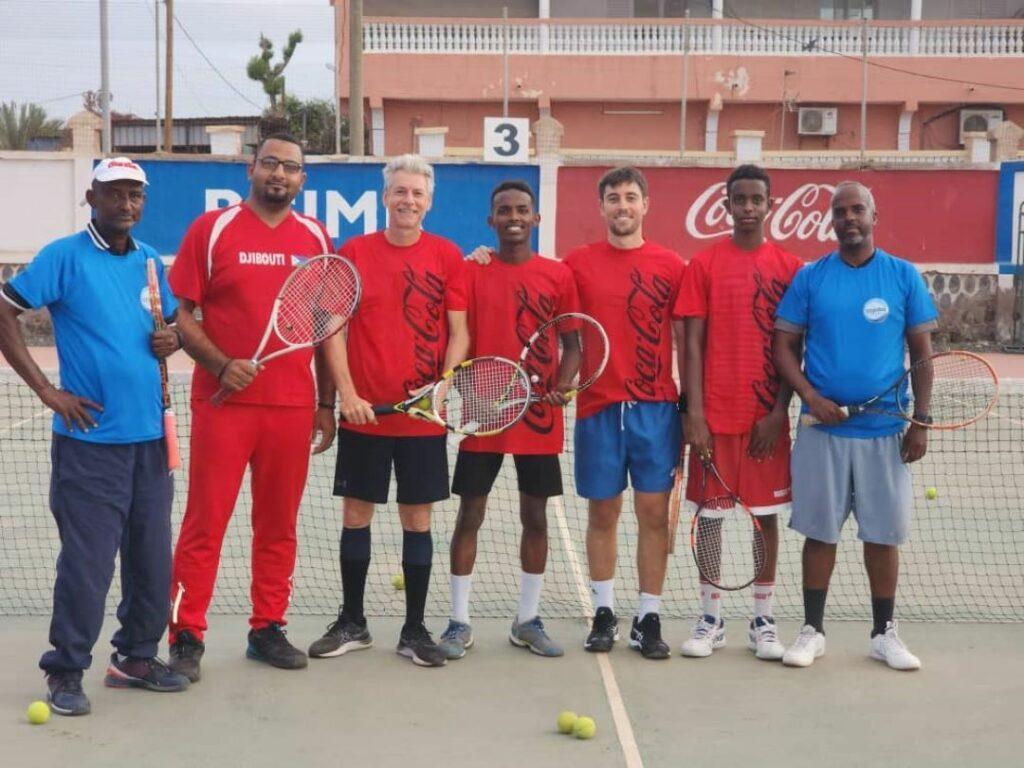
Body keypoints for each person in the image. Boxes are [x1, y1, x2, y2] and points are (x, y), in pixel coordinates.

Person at [0, 158, 190, 715]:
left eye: (135, 195)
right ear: (92, 197)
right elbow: (4, 310)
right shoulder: (64, 256)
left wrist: (173, 338)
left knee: (152, 560)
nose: (126, 204)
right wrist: (48, 392)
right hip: (89, 445)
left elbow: (170, 325)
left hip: (150, 441)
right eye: (115, 193)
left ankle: (135, 658)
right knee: (88, 565)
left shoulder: (150, 260)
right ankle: (65, 669)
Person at [166, 133, 337, 680]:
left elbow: (325, 327)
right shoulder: (211, 229)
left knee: (279, 526)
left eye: (291, 167)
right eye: (270, 163)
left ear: (302, 178)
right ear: (251, 168)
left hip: (292, 408)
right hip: (222, 406)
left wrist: (327, 402)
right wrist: (220, 365)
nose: (279, 174)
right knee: (204, 523)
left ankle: (268, 628)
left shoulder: (317, 237)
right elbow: (179, 313)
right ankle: (186, 634)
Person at [311, 154, 470, 668]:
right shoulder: (354, 253)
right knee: (356, 515)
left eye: (417, 193)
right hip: (365, 417)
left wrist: (442, 388)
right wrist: (347, 395)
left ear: (429, 201)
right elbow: (332, 329)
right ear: (385, 196)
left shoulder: (448, 256)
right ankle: (352, 622)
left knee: (417, 521)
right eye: (400, 191)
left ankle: (414, 630)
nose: (408, 200)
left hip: (422, 420)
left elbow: (460, 332)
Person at [773, 181, 936, 671]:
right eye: (840, 211)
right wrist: (811, 397)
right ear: (831, 220)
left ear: (873, 216)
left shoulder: (903, 276)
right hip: (822, 432)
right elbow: (783, 347)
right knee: (819, 534)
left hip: (885, 430)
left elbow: (922, 354)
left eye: (857, 209)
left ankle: (884, 633)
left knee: (883, 536)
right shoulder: (811, 278)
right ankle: (812, 631)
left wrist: (921, 421)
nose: (849, 218)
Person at [436, 180, 579, 661]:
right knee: (469, 516)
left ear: (535, 219)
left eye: (522, 209)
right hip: (484, 415)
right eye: (504, 210)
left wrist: (564, 384)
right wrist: (464, 391)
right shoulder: (470, 270)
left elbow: (573, 344)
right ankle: (459, 621)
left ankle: (527, 620)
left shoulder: (558, 275)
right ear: (491, 220)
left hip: (538, 417)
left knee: (535, 517)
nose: (513, 217)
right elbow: (457, 338)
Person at [673, 165, 802, 661]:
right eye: (740, 200)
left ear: (769, 205)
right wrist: (695, 413)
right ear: (727, 206)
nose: (748, 207)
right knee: (710, 519)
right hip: (714, 419)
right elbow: (691, 344)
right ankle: (711, 618)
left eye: (756, 199)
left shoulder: (791, 268)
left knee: (764, 519)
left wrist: (778, 412)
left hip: (765, 422)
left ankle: (763, 619)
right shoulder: (703, 265)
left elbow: (795, 347)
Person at [566, 167, 686, 659]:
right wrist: (481, 257)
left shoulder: (672, 266)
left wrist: (693, 407)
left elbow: (686, 339)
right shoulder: (576, 264)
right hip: (598, 409)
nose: (622, 205)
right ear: (601, 207)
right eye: (613, 198)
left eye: (631, 197)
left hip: (656, 411)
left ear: (645, 205)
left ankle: (648, 617)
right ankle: (603, 613)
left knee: (653, 515)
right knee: (603, 512)